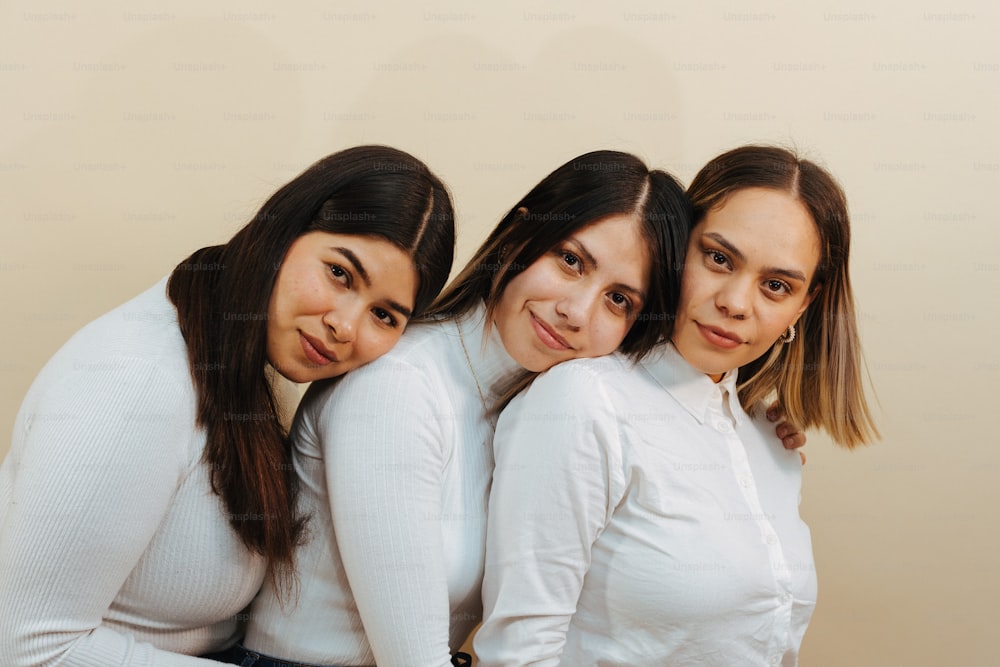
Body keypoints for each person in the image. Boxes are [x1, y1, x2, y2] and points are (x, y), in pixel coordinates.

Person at [236, 150, 805, 667]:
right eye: (570, 261)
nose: (576, 312)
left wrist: (745, 428)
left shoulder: (528, 404)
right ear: (518, 234)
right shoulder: (398, 387)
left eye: (618, 299)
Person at [0, 145, 456, 667]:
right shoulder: (137, 380)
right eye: (340, 274)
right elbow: (30, 647)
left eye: (384, 315)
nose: (345, 326)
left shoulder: (242, 358)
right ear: (284, 231)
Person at [475, 145, 879, 666]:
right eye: (718, 258)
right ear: (676, 248)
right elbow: (519, 650)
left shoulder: (767, 437)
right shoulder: (584, 401)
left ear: (806, 303)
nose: (735, 301)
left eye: (776, 286)